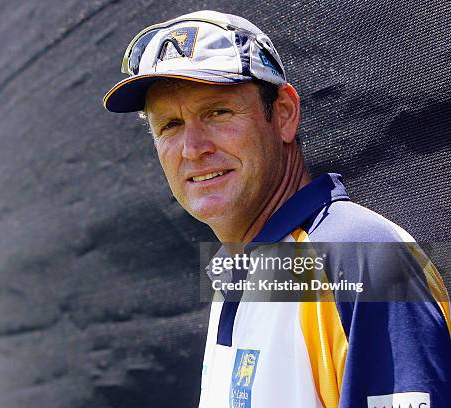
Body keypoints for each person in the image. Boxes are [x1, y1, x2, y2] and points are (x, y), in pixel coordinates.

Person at [103, 10, 450, 408]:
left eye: (218, 112)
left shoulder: (361, 258)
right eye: (170, 125)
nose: (192, 148)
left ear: (283, 114)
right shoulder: (245, 270)